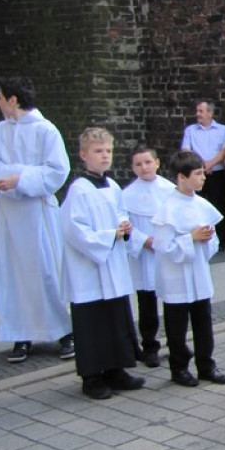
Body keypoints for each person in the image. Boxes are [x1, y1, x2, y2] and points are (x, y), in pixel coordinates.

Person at [0, 77, 72, 363]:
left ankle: (62, 331)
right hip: (9, 212)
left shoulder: (46, 130)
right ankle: (20, 333)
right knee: (12, 272)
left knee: (46, 270)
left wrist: (20, 179)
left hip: (38, 211)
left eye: (0, 99)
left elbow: (58, 170)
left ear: (13, 100)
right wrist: (6, 180)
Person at [60, 128, 144, 400]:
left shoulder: (114, 186)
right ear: (84, 155)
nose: (105, 156)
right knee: (93, 321)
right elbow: (74, 230)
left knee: (115, 317)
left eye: (108, 150)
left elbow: (121, 213)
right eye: (98, 151)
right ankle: (92, 377)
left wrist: (126, 227)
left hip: (113, 265)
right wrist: (110, 236)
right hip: (90, 269)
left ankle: (116, 369)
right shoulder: (78, 190)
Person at [153, 151, 225, 388]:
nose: (203, 177)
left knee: (203, 322)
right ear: (181, 177)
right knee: (176, 326)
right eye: (197, 174)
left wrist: (207, 239)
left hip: (198, 272)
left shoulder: (201, 204)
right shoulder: (168, 208)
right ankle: (179, 368)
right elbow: (165, 246)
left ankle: (206, 365)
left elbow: (213, 241)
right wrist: (191, 238)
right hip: (176, 276)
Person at [122, 147, 176, 367]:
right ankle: (150, 346)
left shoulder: (170, 189)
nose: (143, 167)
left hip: (166, 252)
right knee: (147, 303)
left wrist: (165, 240)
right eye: (138, 164)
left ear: (157, 162)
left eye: (147, 162)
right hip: (145, 253)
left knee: (173, 301)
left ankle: (176, 343)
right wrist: (144, 240)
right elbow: (124, 224)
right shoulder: (126, 195)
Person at [181, 100, 225, 245]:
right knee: (194, 203)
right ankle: (197, 234)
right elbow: (186, 150)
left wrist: (210, 164)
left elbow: (224, 151)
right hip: (196, 173)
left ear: (210, 113)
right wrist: (201, 166)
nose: (197, 114)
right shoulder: (190, 130)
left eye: (201, 111)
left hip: (215, 172)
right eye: (197, 111)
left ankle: (218, 240)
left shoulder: (223, 130)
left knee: (217, 204)